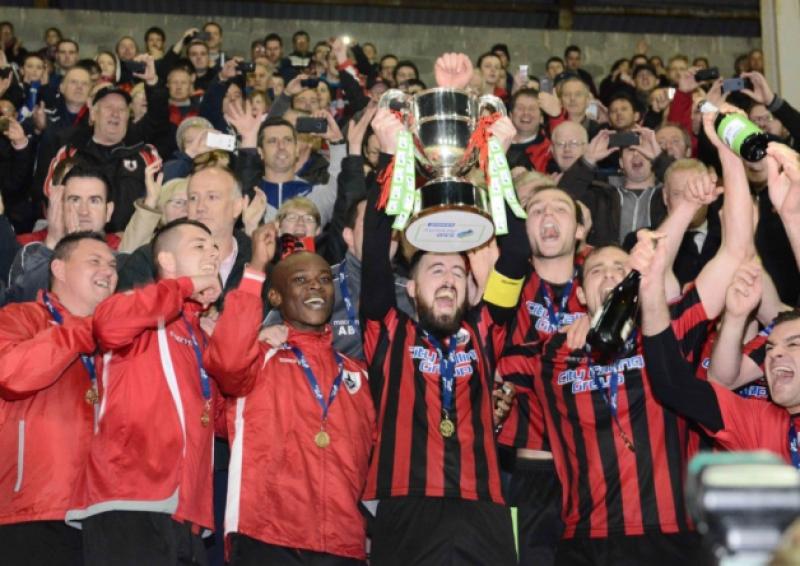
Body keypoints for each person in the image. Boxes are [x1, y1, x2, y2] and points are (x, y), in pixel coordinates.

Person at [502, 106, 754, 565]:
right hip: (583, 541)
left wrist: (728, 155)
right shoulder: (552, 351)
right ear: (579, 291)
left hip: (673, 536)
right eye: (598, 270)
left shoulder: (668, 333)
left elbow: (736, 250)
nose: (610, 276)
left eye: (621, 271)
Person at [362, 93, 523, 565]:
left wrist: (498, 161)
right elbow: (375, 254)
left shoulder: (488, 330)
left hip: (485, 506)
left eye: (457, 271)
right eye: (435, 271)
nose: (449, 279)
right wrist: (392, 160)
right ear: (410, 287)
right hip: (405, 502)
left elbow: (513, 257)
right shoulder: (388, 331)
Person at [205, 224, 376, 564]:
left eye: (325, 279)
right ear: (275, 297)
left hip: (343, 542)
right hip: (267, 536)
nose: (315, 285)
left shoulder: (357, 373)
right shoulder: (259, 357)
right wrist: (255, 269)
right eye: (300, 280)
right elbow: (226, 360)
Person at [66, 218, 222, 566]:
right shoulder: (130, 304)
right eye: (199, 245)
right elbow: (107, 327)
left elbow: (221, 420)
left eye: (214, 247)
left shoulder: (199, 333)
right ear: (166, 260)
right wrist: (184, 285)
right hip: (129, 501)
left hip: (188, 512)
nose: (212, 253)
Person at [0, 231, 117, 566]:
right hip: (32, 509)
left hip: (103, 515)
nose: (108, 270)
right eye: (95, 261)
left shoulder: (118, 341)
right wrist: (83, 329)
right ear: (60, 270)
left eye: (112, 264)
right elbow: (11, 374)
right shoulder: (19, 317)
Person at [496, 186, 588, 566]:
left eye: (560, 210)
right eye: (536, 211)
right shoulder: (505, 285)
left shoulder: (603, 284)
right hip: (526, 470)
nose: (548, 217)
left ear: (581, 229)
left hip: (596, 470)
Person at [40, 61, 168, 231]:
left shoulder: (145, 155)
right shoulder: (69, 153)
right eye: (108, 107)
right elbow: (51, 197)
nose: (115, 113)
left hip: (131, 245)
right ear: (93, 114)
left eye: (122, 109)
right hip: (78, 239)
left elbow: (161, 201)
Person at [9, 166, 118, 302]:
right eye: (75, 200)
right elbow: (23, 299)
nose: (83, 211)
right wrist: (53, 240)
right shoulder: (31, 254)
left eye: (94, 201)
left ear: (108, 212)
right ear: (60, 207)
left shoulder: (123, 262)